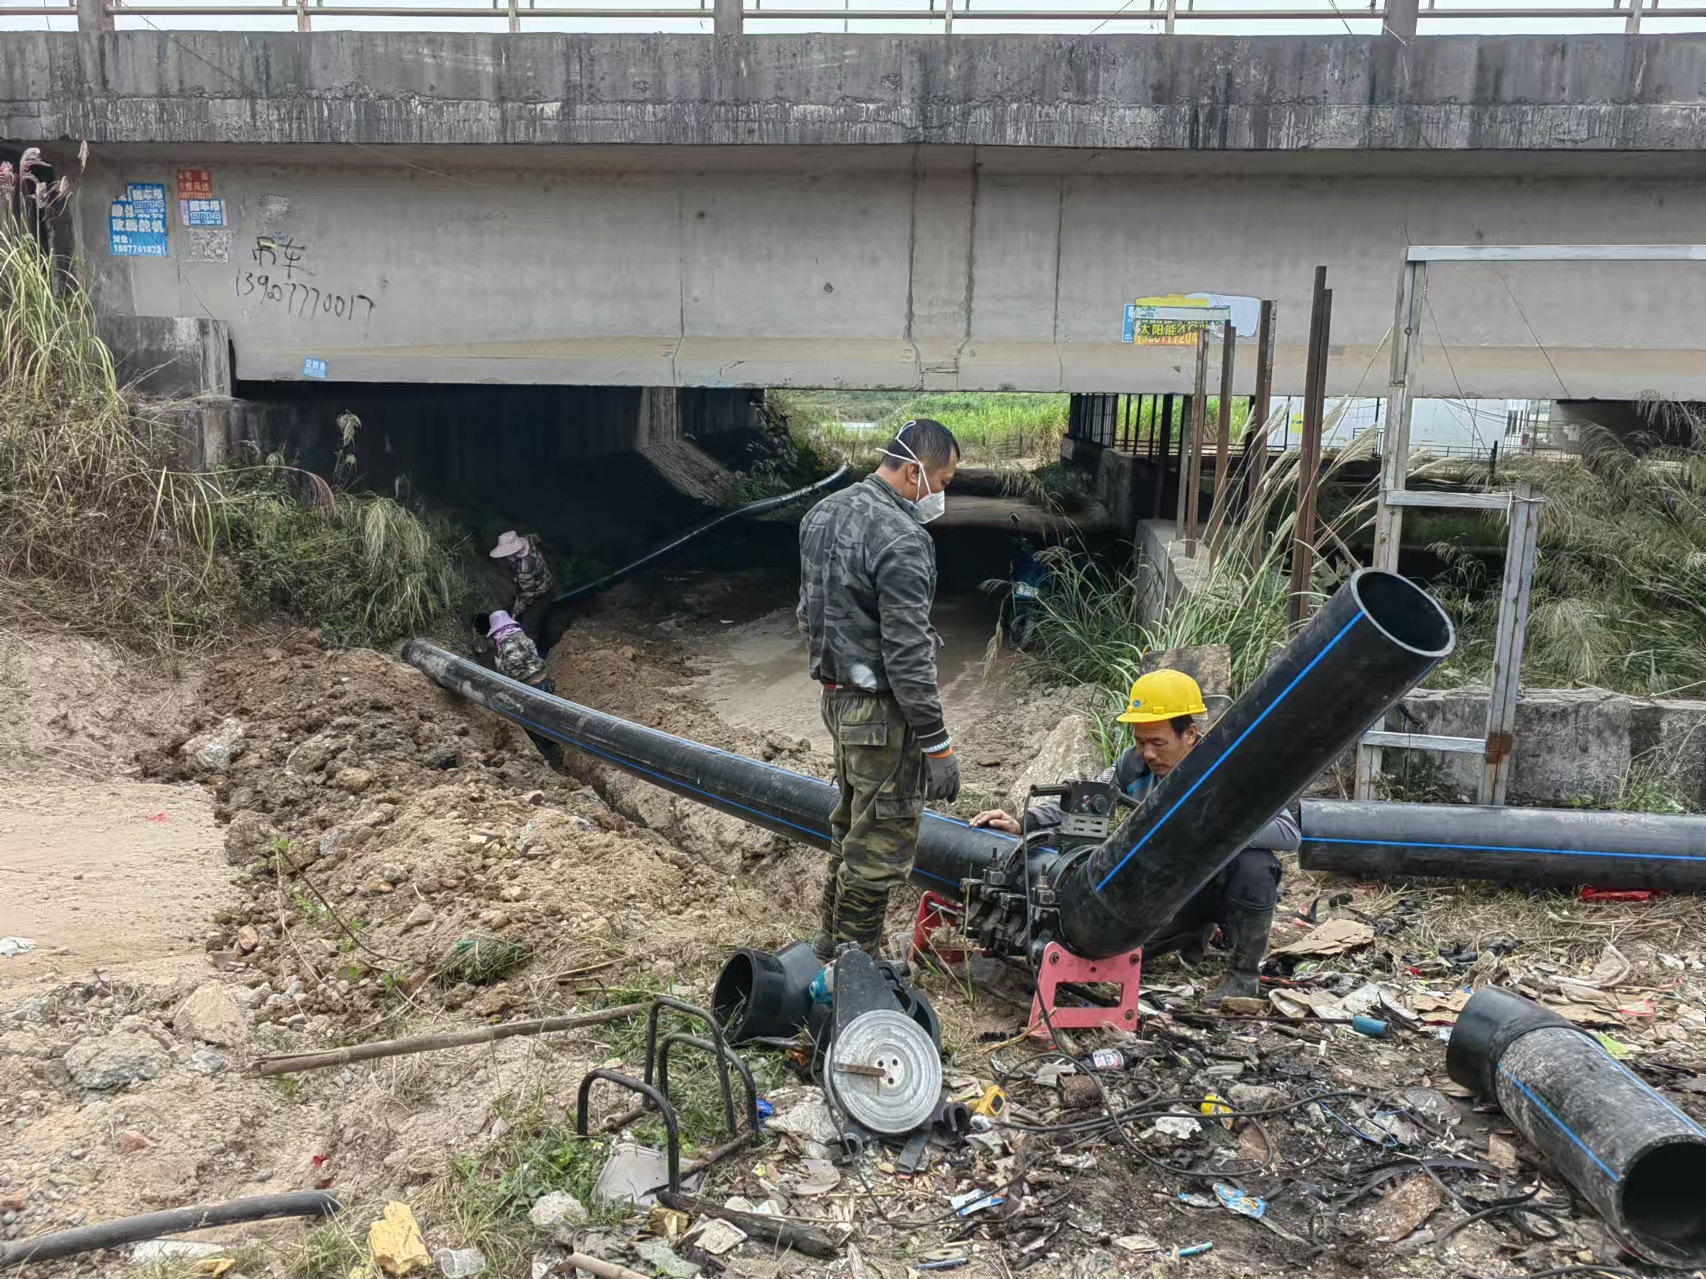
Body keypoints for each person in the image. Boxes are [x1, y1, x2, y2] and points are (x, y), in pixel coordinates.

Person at [970, 669, 1297, 1003]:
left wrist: (1211, 827)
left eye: (1158, 743)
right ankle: (1189, 933)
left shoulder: (1230, 769)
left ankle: (1243, 975)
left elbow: (1289, 832)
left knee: (1256, 866)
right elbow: (1088, 797)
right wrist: (1023, 823)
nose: (1148, 753)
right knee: (1104, 949)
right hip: (1165, 892)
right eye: (1141, 742)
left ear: (1189, 734)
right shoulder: (1132, 766)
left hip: (1219, 885)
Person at [798, 418, 962, 963]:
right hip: (882, 714)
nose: (940, 494)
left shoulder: (822, 513)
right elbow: (907, 655)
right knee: (879, 845)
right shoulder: (903, 538)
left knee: (850, 827)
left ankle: (829, 949)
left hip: (838, 699)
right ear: (915, 471)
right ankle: (855, 968)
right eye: (942, 481)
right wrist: (936, 743)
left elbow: (806, 614)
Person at [485, 610, 560, 763]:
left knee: (532, 723)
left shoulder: (506, 644)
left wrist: (500, 667)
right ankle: (555, 743)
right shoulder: (523, 637)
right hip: (542, 680)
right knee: (548, 714)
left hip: (527, 686)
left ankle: (545, 752)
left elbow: (514, 669)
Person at [489, 530, 557, 637]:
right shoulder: (529, 539)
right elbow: (537, 538)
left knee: (528, 628)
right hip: (542, 581)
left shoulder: (525, 567)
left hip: (539, 595)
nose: (507, 557)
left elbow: (527, 596)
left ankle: (529, 647)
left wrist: (517, 609)